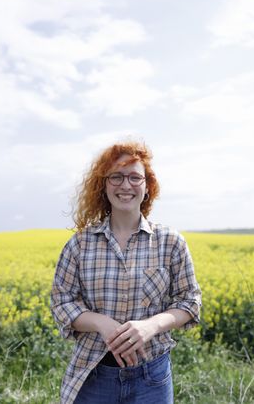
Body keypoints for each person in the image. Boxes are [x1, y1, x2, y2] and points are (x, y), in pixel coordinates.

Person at [50, 140, 201, 404]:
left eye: (134, 177)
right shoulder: (80, 244)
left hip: (151, 377)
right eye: (116, 177)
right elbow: (61, 301)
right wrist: (101, 323)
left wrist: (151, 326)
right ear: (104, 185)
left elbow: (189, 302)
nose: (125, 185)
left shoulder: (170, 242)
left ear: (147, 186)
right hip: (93, 374)